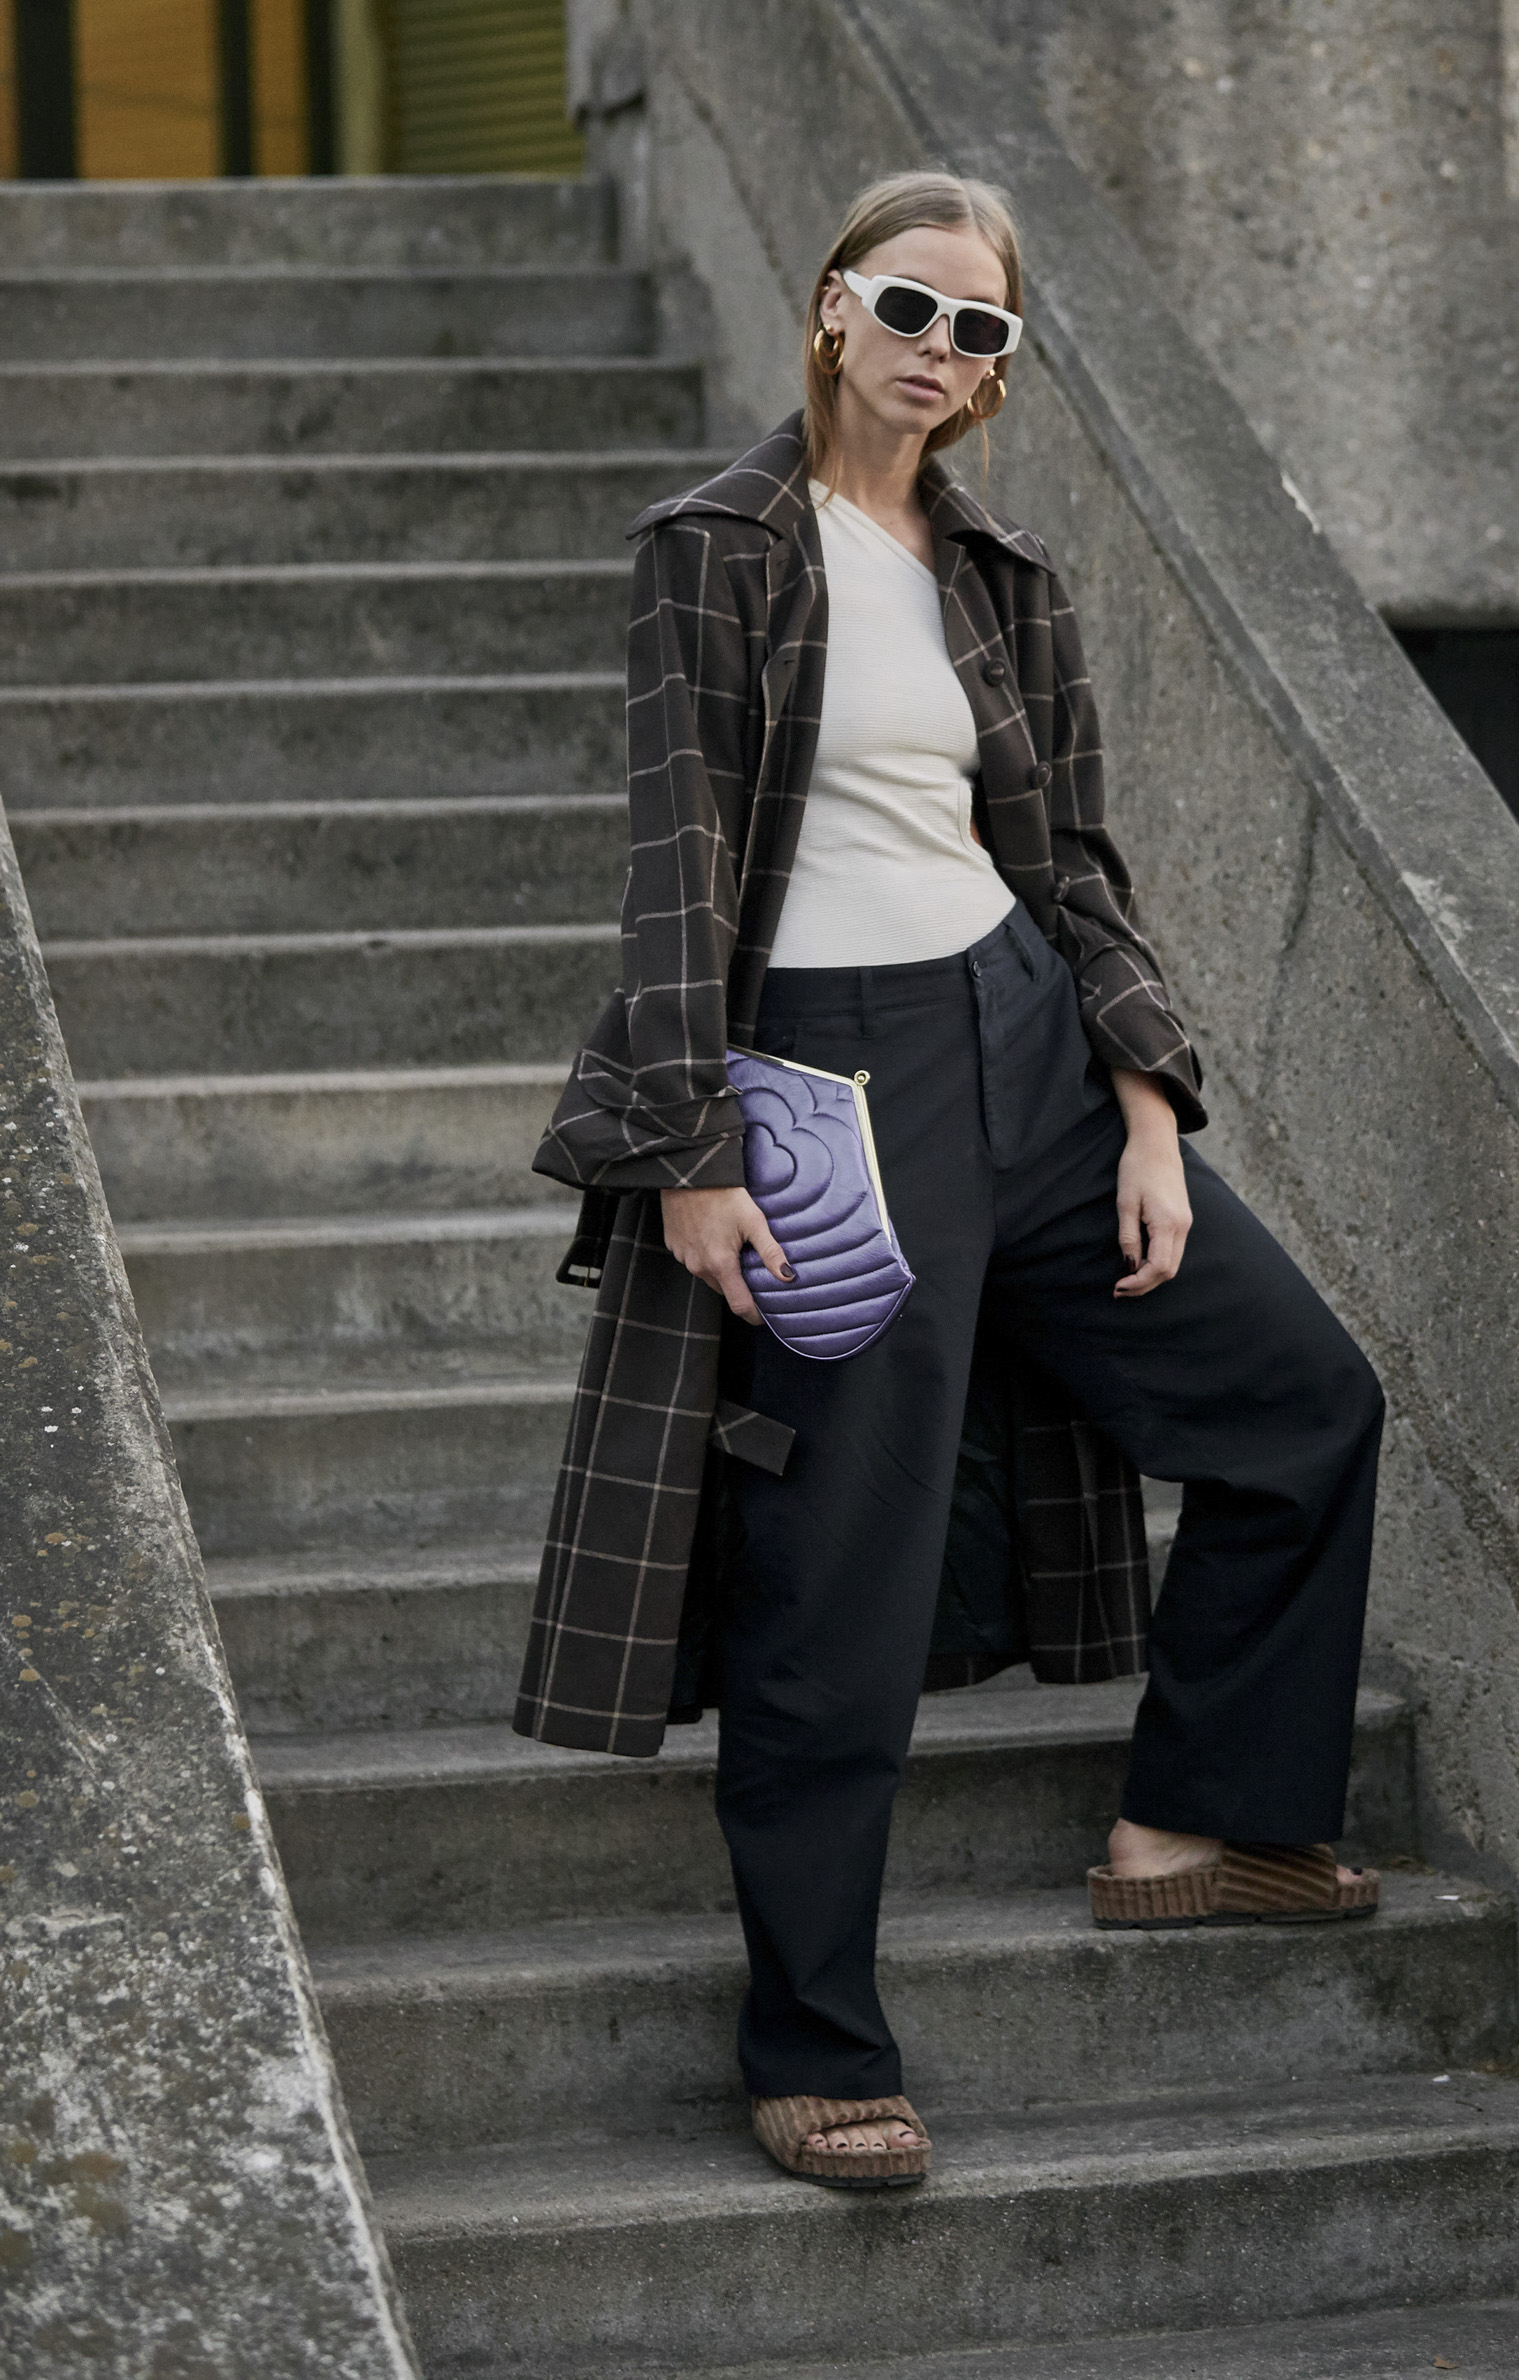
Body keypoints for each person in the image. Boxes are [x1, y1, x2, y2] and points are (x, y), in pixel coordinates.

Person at [517, 170, 1385, 2193]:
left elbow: (1072, 861)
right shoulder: (715, 552)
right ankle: (815, 2041)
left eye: (980, 328)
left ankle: (1192, 1823)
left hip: (1026, 1036)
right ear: (835, 306)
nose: (940, 348)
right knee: (844, 1557)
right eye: (910, 306)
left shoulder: (1005, 576)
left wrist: (1148, 1106)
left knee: (1300, 1399)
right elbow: (674, 873)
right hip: (833, 1070)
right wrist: (689, 1151)